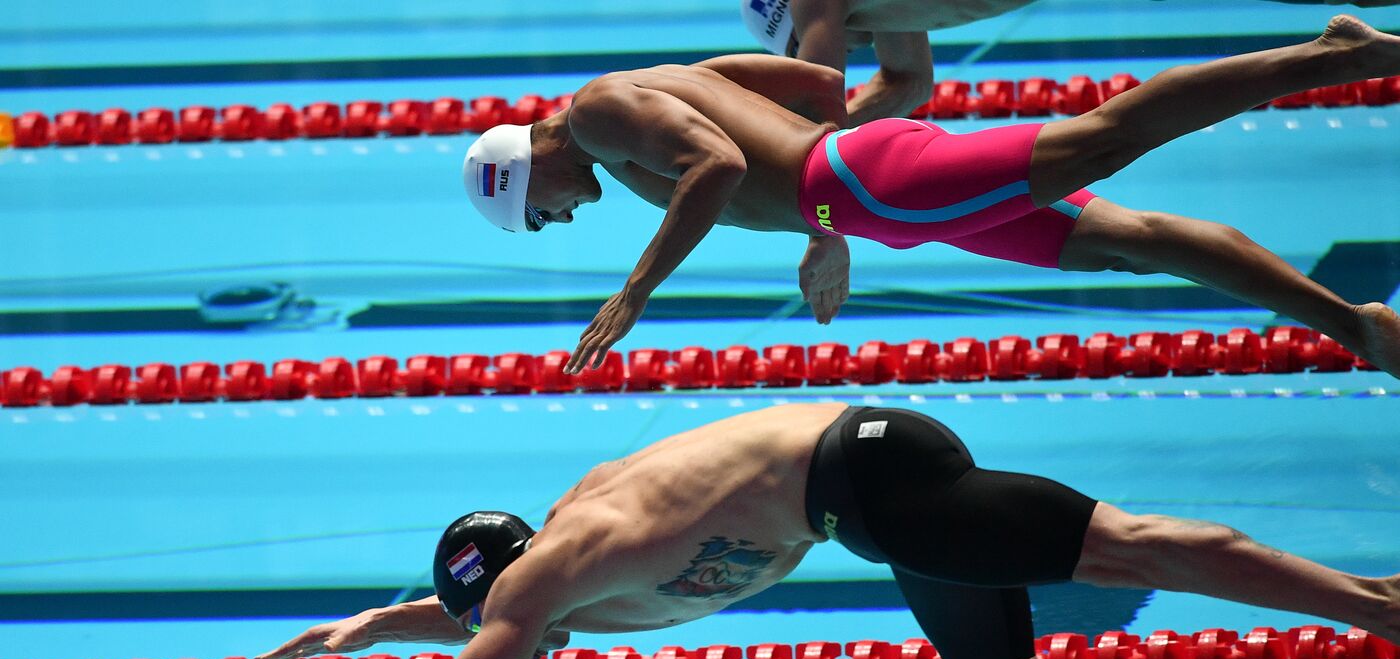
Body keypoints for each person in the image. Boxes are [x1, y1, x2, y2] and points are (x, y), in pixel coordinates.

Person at [260, 402, 1400, 659]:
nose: (517, 642)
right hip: (869, 504)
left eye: (493, 625)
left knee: (1127, 546)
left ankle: (1372, 608)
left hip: (868, 475)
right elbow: (482, 616)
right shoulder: (555, 564)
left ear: (511, 592)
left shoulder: (553, 576)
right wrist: (371, 626)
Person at [459, 16, 1400, 379]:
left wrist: (638, 292)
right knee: (1136, 240)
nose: (564, 219)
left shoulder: (591, 120)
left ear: (521, 169)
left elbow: (720, 169)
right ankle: (1357, 327)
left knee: (1105, 140)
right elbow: (818, 95)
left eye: (540, 212)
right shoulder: (649, 78)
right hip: (866, 180)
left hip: (876, 192)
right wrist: (821, 220)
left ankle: (1331, 58)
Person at [739, 0, 1400, 127]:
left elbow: (818, 103)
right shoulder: (888, 12)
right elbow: (908, 85)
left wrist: (823, 231)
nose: (841, 51)